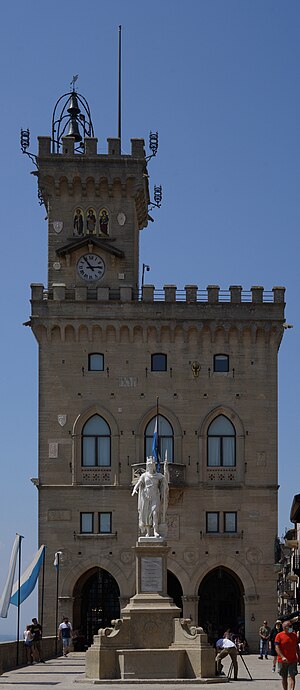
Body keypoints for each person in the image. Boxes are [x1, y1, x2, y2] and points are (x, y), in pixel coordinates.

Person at [132, 457, 168, 537]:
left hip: (155, 496)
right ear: (147, 466)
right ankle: (148, 532)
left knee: (155, 513)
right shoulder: (144, 476)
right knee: (147, 515)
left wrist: (166, 474)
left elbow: (164, 479)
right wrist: (135, 489)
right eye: (149, 465)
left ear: (154, 465)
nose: (150, 466)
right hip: (146, 497)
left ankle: (155, 531)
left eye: (152, 464)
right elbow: (139, 483)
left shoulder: (158, 476)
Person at [275, 619, 300, 690]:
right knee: (284, 677)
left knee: (292, 676)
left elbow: (296, 646)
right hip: (282, 661)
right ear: (285, 627)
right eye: (290, 626)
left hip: (292, 660)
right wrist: (282, 657)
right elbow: (277, 648)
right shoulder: (279, 636)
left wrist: (299, 656)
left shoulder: (294, 635)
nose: (292, 627)